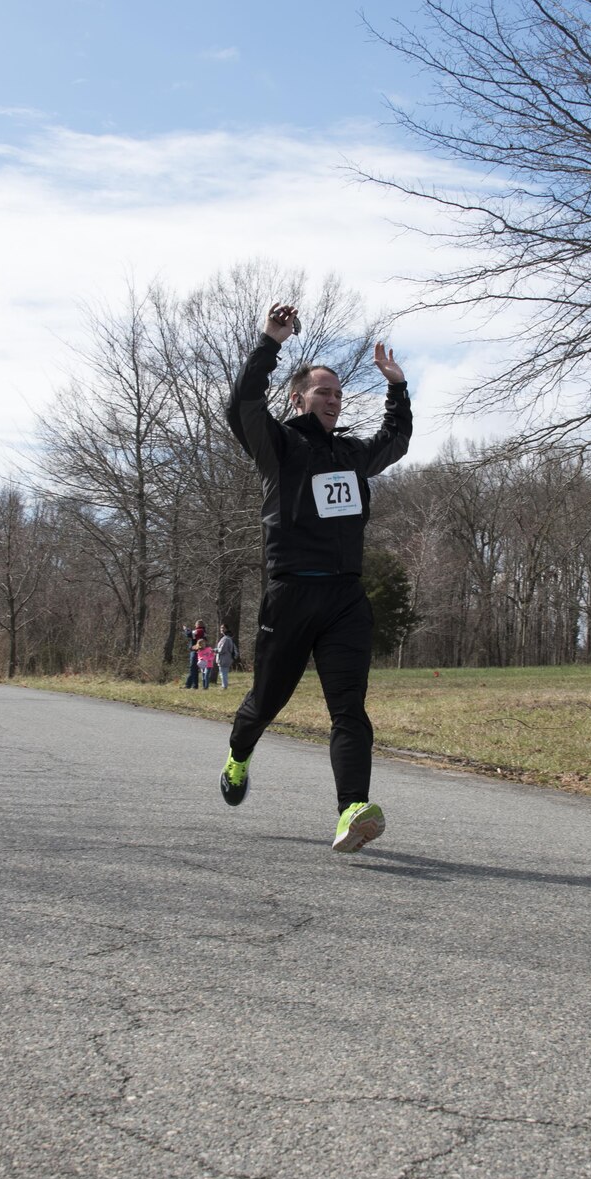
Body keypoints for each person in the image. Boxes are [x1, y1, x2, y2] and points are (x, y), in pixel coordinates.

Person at [218, 301, 411, 854]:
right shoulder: (278, 445)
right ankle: (238, 757)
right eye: (322, 391)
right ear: (298, 399)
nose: (333, 399)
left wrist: (396, 390)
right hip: (291, 594)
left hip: (346, 598)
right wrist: (269, 343)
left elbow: (393, 442)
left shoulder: (351, 453)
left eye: (338, 393)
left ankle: (352, 809)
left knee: (348, 707)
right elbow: (241, 405)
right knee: (264, 703)